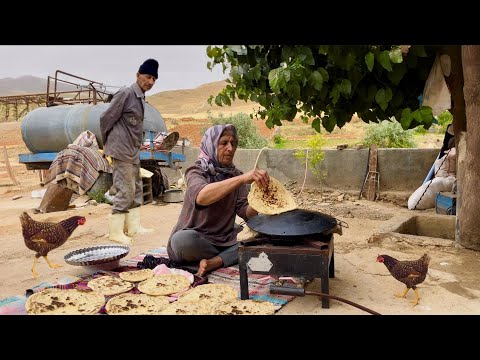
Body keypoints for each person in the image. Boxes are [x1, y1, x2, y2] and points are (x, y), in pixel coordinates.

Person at [167, 124, 270, 276]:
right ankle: (229, 255)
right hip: (198, 239)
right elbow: (202, 197)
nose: (230, 148)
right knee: (181, 242)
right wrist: (241, 179)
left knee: (260, 236)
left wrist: (261, 195)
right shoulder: (196, 171)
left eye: (233, 143)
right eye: (224, 143)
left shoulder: (236, 175)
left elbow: (247, 213)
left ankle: (215, 262)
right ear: (211, 145)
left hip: (225, 237)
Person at [100, 59, 158, 244]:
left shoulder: (140, 97)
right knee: (125, 189)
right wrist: (109, 142)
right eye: (148, 76)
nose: (150, 81)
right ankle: (115, 232)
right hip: (121, 150)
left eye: (154, 79)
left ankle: (133, 228)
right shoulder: (126, 93)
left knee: (136, 188)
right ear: (138, 75)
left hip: (132, 152)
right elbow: (105, 118)